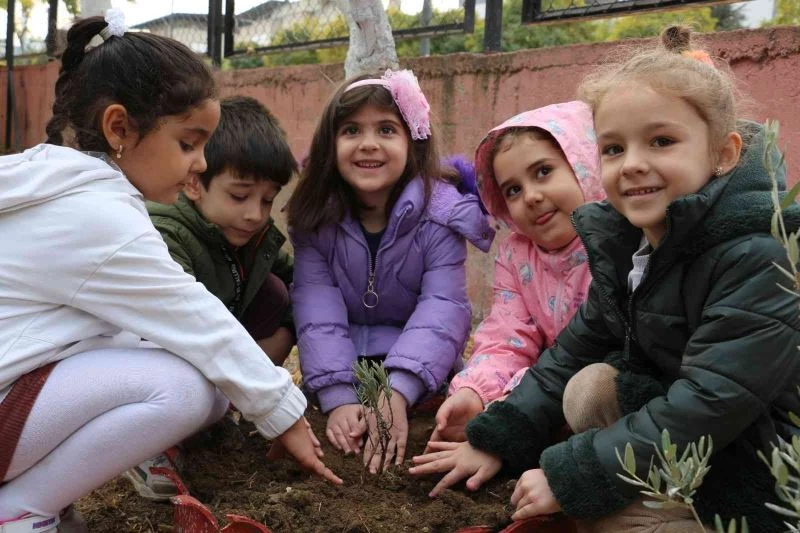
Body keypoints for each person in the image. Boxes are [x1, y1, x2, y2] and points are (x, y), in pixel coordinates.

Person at [410, 25, 800, 533]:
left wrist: (575, 474)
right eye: (614, 148)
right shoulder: (631, 244)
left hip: (765, 467)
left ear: (723, 154)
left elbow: (708, 404)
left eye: (661, 141)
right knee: (588, 385)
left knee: (592, 515)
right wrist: (495, 439)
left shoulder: (756, 255)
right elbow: (572, 351)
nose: (633, 164)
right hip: (690, 445)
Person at [0, 10, 339, 533]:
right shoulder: (97, 215)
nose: (201, 163)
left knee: (179, 361)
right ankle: (22, 509)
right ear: (119, 128)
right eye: (188, 143)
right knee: (190, 388)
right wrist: (283, 411)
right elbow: (195, 317)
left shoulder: (55, 181)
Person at [286, 69, 494, 474]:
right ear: (331, 145)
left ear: (412, 142)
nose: (368, 144)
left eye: (386, 129)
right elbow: (317, 309)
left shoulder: (441, 217)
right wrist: (338, 396)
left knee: (422, 441)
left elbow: (443, 307)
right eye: (350, 131)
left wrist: (399, 388)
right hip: (341, 365)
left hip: (417, 371)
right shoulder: (317, 220)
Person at [133, 96, 298, 501]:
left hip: (212, 348)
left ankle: (218, 411)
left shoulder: (250, 234)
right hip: (158, 353)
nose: (255, 215)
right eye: (240, 196)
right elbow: (178, 323)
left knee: (280, 298)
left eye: (267, 200)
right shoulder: (165, 233)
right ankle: (149, 446)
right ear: (194, 182)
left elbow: (300, 282)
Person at [428, 101, 605, 445]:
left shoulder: (616, 244)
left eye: (543, 171)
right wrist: (474, 392)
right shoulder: (516, 254)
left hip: (599, 394)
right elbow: (506, 337)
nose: (532, 197)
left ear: (583, 164)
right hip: (545, 388)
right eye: (513, 190)